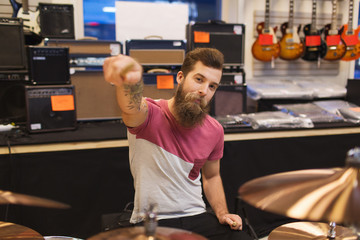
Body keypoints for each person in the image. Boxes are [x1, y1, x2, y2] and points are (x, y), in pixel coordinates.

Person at [103, 48, 252, 240]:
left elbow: (212, 176)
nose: (203, 91)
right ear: (180, 77)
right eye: (199, 79)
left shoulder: (214, 129)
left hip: (197, 216)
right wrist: (129, 83)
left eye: (212, 86)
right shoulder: (149, 113)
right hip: (153, 220)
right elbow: (130, 106)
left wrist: (223, 213)